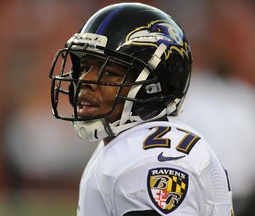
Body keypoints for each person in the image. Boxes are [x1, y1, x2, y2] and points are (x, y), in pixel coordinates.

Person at [49, 2, 234, 215]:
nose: (86, 80)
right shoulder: (127, 143)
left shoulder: (148, 159)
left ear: (154, 87)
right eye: (84, 67)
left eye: (108, 72)